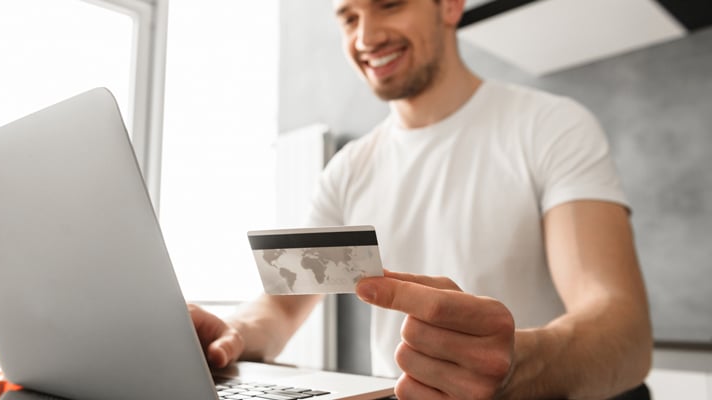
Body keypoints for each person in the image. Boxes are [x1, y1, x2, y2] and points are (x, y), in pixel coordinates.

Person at [189, 0, 653, 398]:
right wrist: (233, 334)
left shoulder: (551, 127)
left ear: (449, 5)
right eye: (349, 18)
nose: (366, 37)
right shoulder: (347, 168)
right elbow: (282, 306)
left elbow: (622, 331)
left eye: (389, 3)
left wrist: (514, 364)